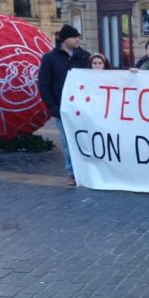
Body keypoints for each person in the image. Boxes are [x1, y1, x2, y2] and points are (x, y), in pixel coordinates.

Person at [38, 24, 91, 187]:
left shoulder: (84, 56)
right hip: (62, 109)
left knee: (85, 140)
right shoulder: (49, 59)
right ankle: (72, 173)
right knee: (67, 142)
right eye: (75, 37)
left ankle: (88, 171)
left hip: (83, 108)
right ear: (64, 39)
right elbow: (44, 84)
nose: (77, 40)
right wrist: (52, 107)